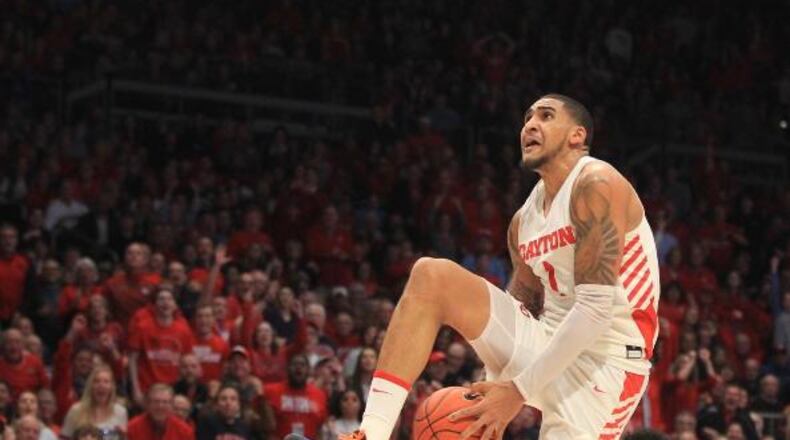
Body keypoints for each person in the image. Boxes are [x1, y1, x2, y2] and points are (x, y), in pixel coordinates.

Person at [342, 95, 661, 440]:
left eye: (546, 116)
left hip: (606, 363)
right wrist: (488, 394)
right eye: (527, 118)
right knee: (432, 276)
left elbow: (596, 311)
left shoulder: (597, 184)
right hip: (548, 345)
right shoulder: (523, 222)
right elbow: (521, 311)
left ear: (577, 136)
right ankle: (371, 433)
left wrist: (515, 392)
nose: (530, 125)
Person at [60, 365, 127, 439]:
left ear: (112, 387)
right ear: (90, 386)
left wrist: (123, 435)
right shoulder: (76, 410)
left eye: (106, 382)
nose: (101, 385)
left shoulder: (120, 412)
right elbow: (64, 438)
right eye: (97, 381)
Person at [126, 383, 194, 440]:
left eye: (165, 402)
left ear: (171, 405)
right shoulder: (132, 428)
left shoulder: (185, 431)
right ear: (148, 404)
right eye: (156, 401)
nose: (160, 406)